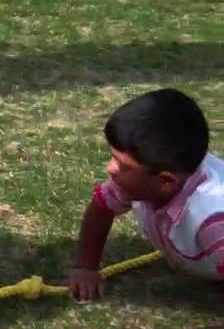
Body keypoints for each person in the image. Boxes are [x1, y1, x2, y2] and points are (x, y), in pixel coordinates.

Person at [69, 88, 223, 301]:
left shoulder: (213, 219)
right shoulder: (140, 182)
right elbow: (101, 209)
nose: (110, 168)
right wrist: (86, 267)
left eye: (122, 165)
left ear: (166, 181)